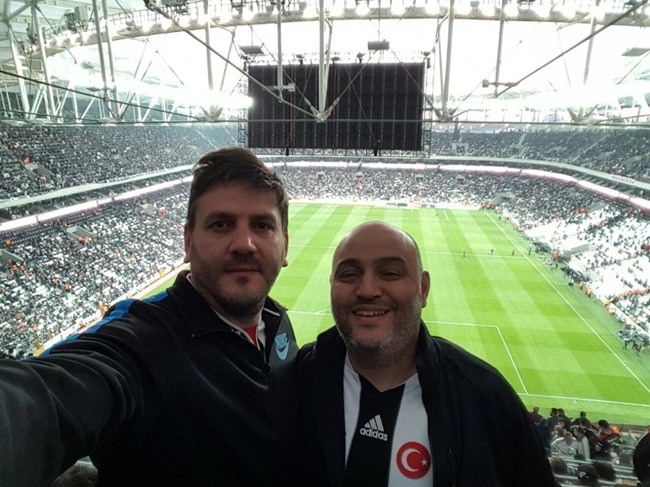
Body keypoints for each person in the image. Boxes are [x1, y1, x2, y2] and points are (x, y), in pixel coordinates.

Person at [0, 147, 299, 487]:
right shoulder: (144, 342)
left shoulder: (278, 323)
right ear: (188, 242)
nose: (244, 243)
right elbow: (45, 399)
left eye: (262, 225)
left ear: (284, 245)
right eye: (220, 224)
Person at [298, 221, 555, 486]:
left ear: (423, 289)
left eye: (391, 273)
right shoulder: (298, 378)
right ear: (331, 285)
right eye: (349, 274)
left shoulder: (485, 397)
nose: (367, 290)